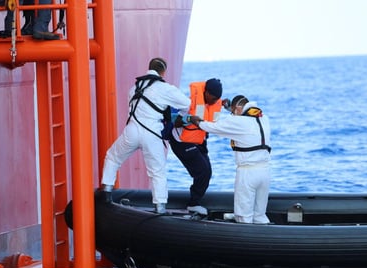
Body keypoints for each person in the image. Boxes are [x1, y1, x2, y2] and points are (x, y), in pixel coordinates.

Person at [99, 57, 191, 214]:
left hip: (132, 131)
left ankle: (106, 194)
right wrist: (180, 117)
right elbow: (187, 104)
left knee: (113, 157)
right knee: (157, 172)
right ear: (163, 72)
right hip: (152, 133)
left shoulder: (135, 86)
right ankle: (160, 207)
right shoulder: (165, 88)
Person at [190, 95, 272, 224]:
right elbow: (244, 118)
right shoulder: (264, 119)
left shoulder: (239, 123)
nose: (233, 115)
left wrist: (197, 121)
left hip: (247, 174)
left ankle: (244, 240)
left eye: (234, 112)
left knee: (243, 217)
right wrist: (230, 109)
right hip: (265, 173)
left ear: (238, 109)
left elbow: (214, 127)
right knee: (259, 216)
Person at [169, 78, 223, 215]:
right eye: (214, 98)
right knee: (202, 171)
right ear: (206, 93)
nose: (215, 101)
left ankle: (194, 202)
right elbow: (173, 120)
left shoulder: (214, 103)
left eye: (218, 99)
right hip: (181, 141)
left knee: (207, 172)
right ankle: (193, 204)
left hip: (198, 141)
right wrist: (190, 119)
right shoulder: (188, 102)